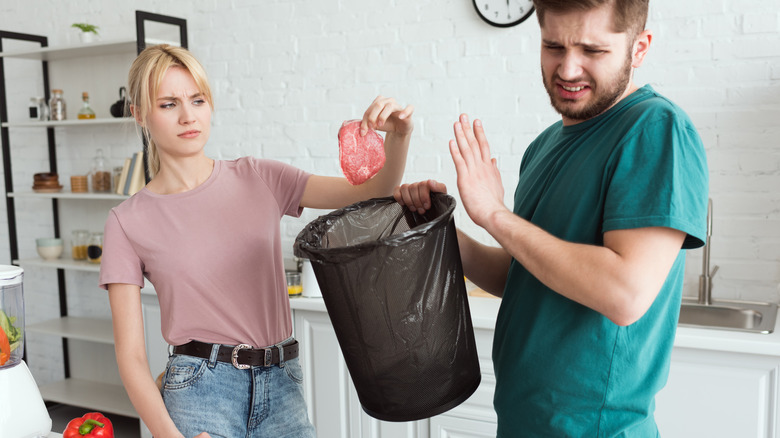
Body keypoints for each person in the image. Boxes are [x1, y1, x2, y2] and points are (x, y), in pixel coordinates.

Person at [394, 0, 708, 436]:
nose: (568, 68)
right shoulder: (543, 147)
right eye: (553, 46)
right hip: (524, 421)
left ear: (639, 49)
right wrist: (439, 230)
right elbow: (519, 274)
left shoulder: (655, 128)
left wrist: (494, 214)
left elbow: (625, 293)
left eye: (592, 51)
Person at [99, 44, 414, 438]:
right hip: (200, 393)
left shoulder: (259, 177)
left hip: (283, 383)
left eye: (197, 100)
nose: (188, 115)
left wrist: (399, 137)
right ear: (140, 114)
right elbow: (129, 356)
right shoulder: (126, 221)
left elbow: (373, 190)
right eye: (168, 104)